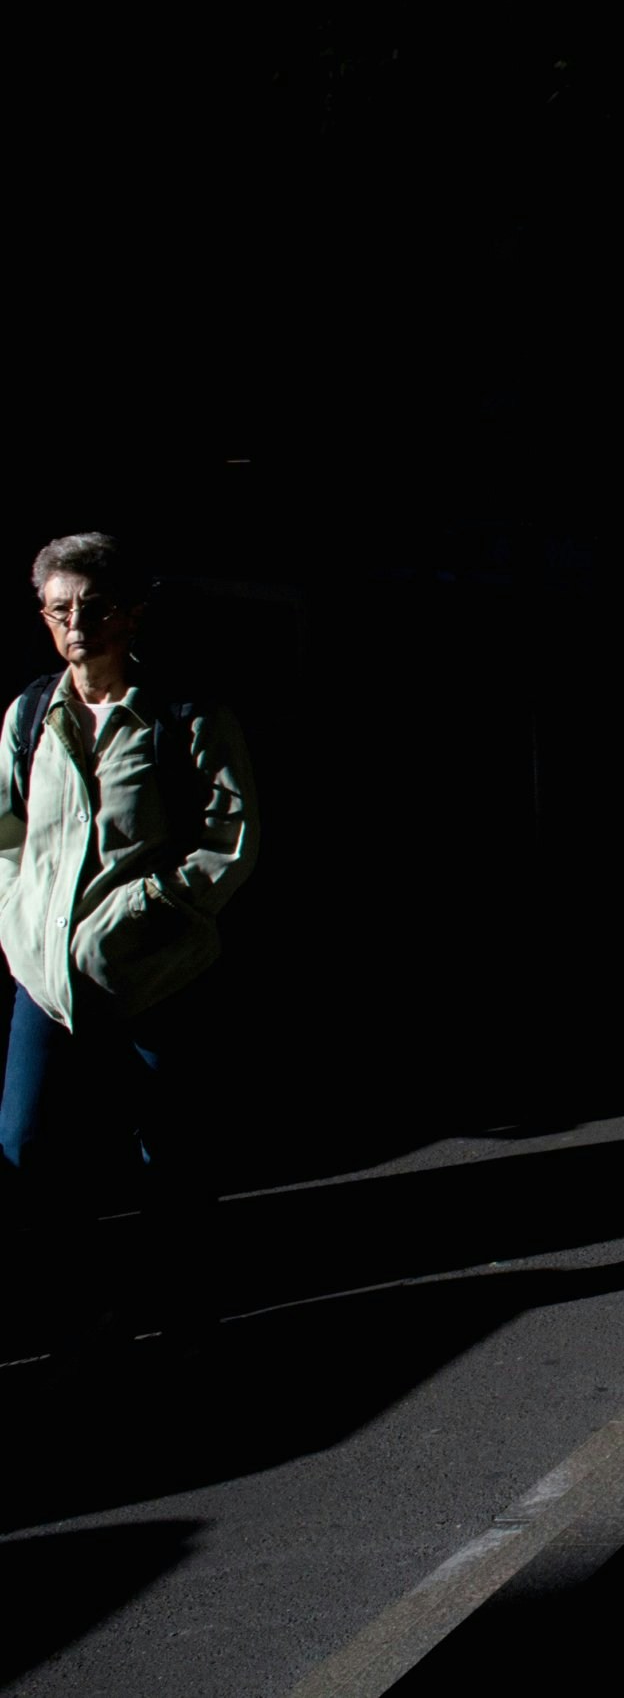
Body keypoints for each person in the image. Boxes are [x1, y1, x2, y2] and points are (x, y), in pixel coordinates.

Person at [0, 533, 263, 1348]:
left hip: (159, 974)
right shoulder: (30, 714)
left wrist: (152, 905)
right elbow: (8, 835)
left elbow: (232, 838)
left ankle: (184, 1314)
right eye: (61, 608)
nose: (78, 623)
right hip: (48, 979)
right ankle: (74, 1313)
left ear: (132, 613)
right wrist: (23, 921)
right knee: (31, 1145)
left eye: (96, 606)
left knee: (170, 1154)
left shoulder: (185, 715)